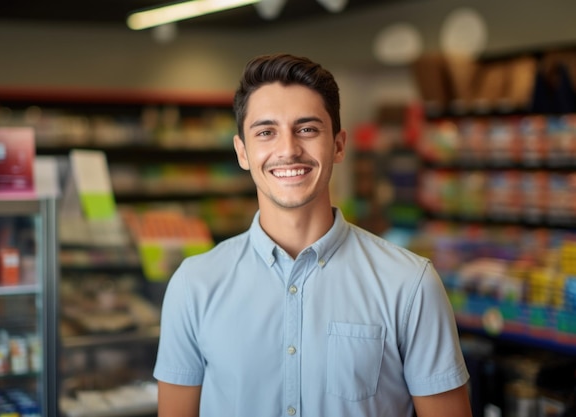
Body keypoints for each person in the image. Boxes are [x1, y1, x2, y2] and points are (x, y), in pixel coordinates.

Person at [153, 53, 472, 417]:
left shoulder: (410, 284)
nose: (288, 150)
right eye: (266, 132)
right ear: (242, 152)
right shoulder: (194, 285)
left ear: (338, 145)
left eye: (307, 129)